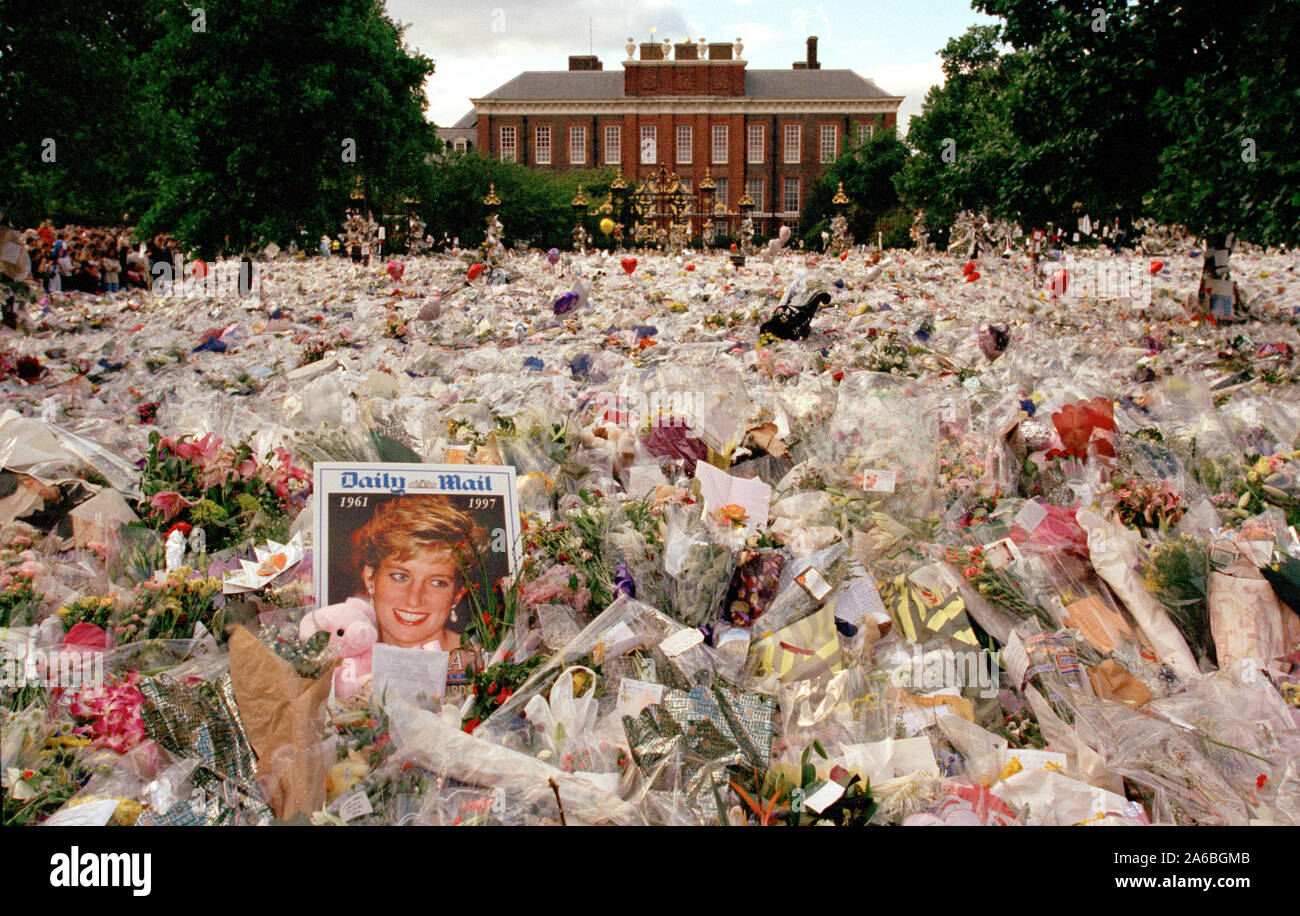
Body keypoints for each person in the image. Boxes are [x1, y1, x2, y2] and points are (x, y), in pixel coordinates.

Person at [349, 494, 486, 683]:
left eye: (437, 582)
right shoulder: (342, 663)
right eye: (400, 577)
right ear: (370, 577)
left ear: (457, 595)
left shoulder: (483, 666)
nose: (414, 599)